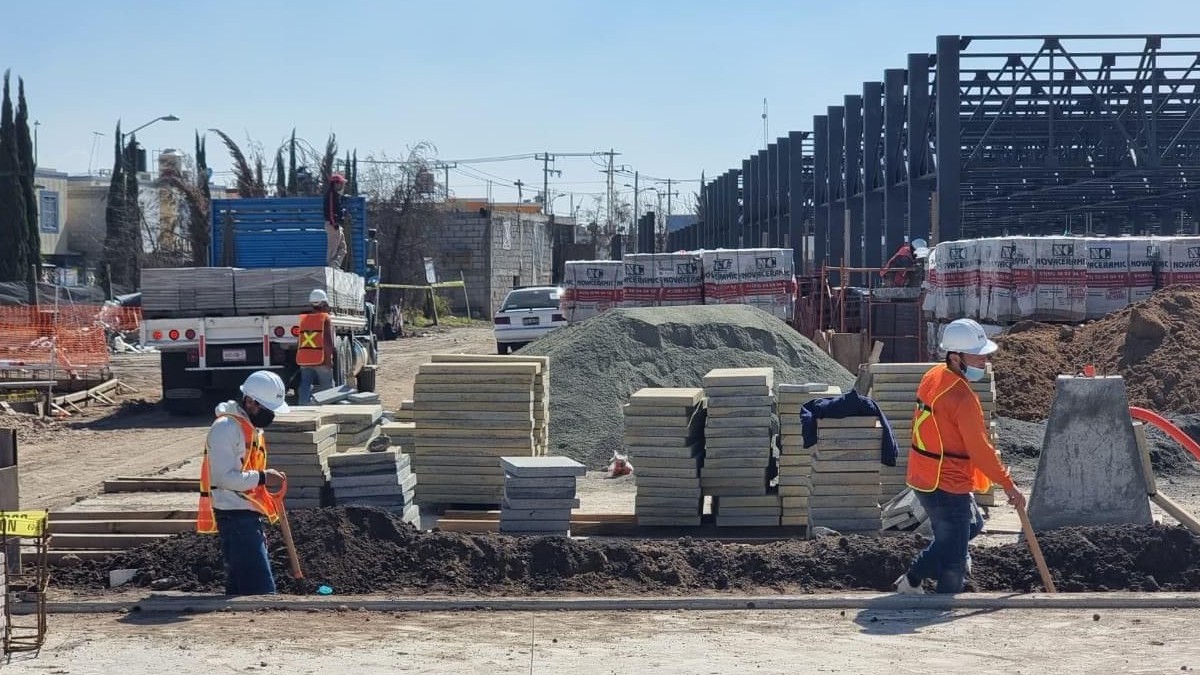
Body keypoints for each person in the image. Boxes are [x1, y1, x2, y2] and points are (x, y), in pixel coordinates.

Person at [895, 318, 1026, 595]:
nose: (985, 359)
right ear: (956, 357)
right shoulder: (962, 398)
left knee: (971, 526)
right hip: (944, 480)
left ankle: (914, 578)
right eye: (977, 355)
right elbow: (980, 449)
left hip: (927, 473)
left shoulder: (934, 376)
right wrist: (1008, 484)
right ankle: (937, 595)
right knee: (954, 552)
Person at [197, 370, 290, 596]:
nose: (270, 416)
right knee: (261, 593)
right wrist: (263, 477)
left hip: (245, 514)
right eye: (267, 410)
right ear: (249, 401)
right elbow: (224, 478)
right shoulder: (226, 429)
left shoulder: (250, 428)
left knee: (240, 592)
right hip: (234, 516)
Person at [297, 289, 336, 404]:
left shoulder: (304, 319)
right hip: (321, 360)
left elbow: (300, 340)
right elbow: (327, 342)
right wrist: (329, 360)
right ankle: (325, 409)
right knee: (327, 386)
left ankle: (302, 408)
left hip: (305, 360)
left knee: (305, 385)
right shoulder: (325, 318)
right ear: (324, 303)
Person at [324, 174, 348, 268]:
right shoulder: (331, 194)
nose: (342, 186)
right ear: (336, 184)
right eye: (341, 183)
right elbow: (330, 210)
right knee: (332, 250)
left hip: (336, 225)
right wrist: (334, 223)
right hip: (333, 225)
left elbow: (337, 208)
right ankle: (331, 270)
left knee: (343, 248)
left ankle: (335, 266)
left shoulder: (336, 195)